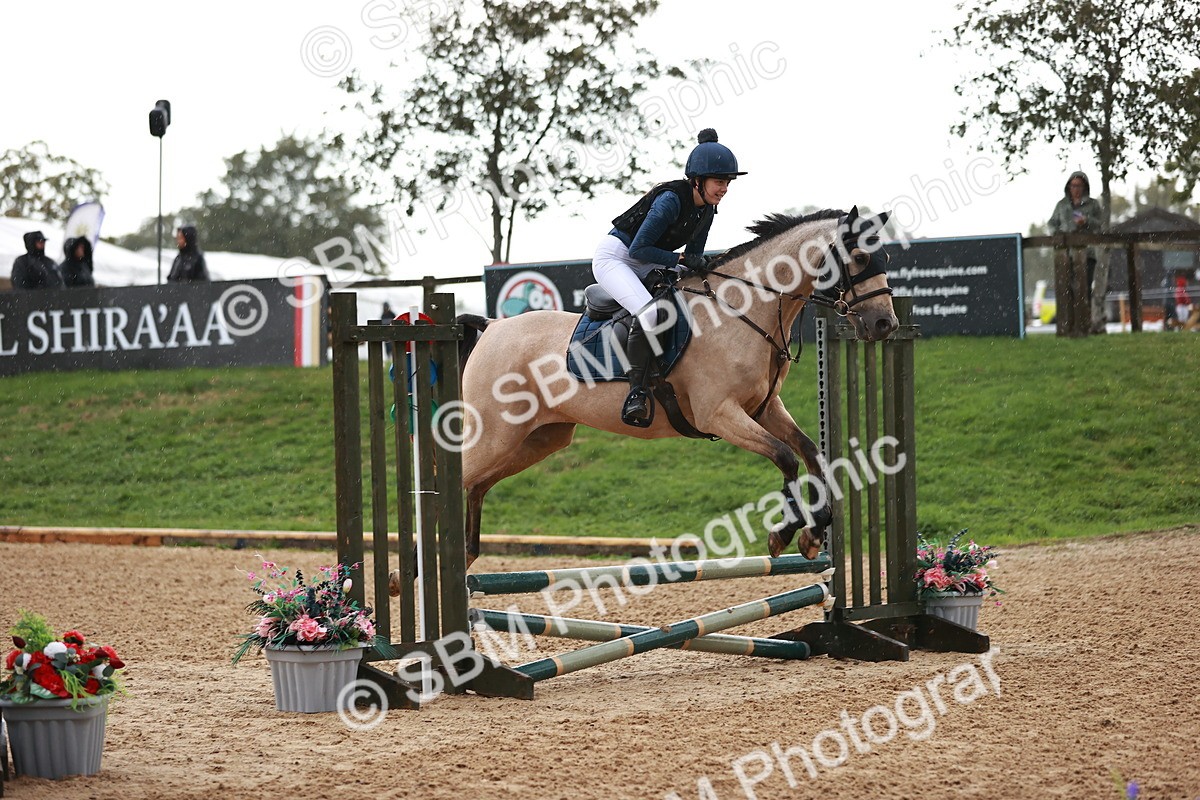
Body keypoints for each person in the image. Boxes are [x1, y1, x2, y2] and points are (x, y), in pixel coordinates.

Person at [593, 127, 745, 426]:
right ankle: (636, 392)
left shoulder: (707, 211)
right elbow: (639, 247)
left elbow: (693, 259)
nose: (724, 188)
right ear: (698, 181)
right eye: (719, 181)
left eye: (727, 182)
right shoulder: (671, 200)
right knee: (650, 315)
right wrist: (680, 259)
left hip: (647, 261)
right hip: (617, 258)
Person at [1047, 170, 1106, 333]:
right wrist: (1057, 235)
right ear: (1068, 186)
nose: (1076, 189)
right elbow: (1051, 223)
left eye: (1079, 185)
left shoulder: (1093, 204)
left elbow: (1100, 225)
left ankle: (1085, 325)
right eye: (1073, 185)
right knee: (1067, 290)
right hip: (1065, 255)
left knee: (1084, 290)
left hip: (1087, 255)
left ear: (1085, 186)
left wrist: (1086, 221)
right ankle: (1068, 326)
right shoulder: (1062, 205)